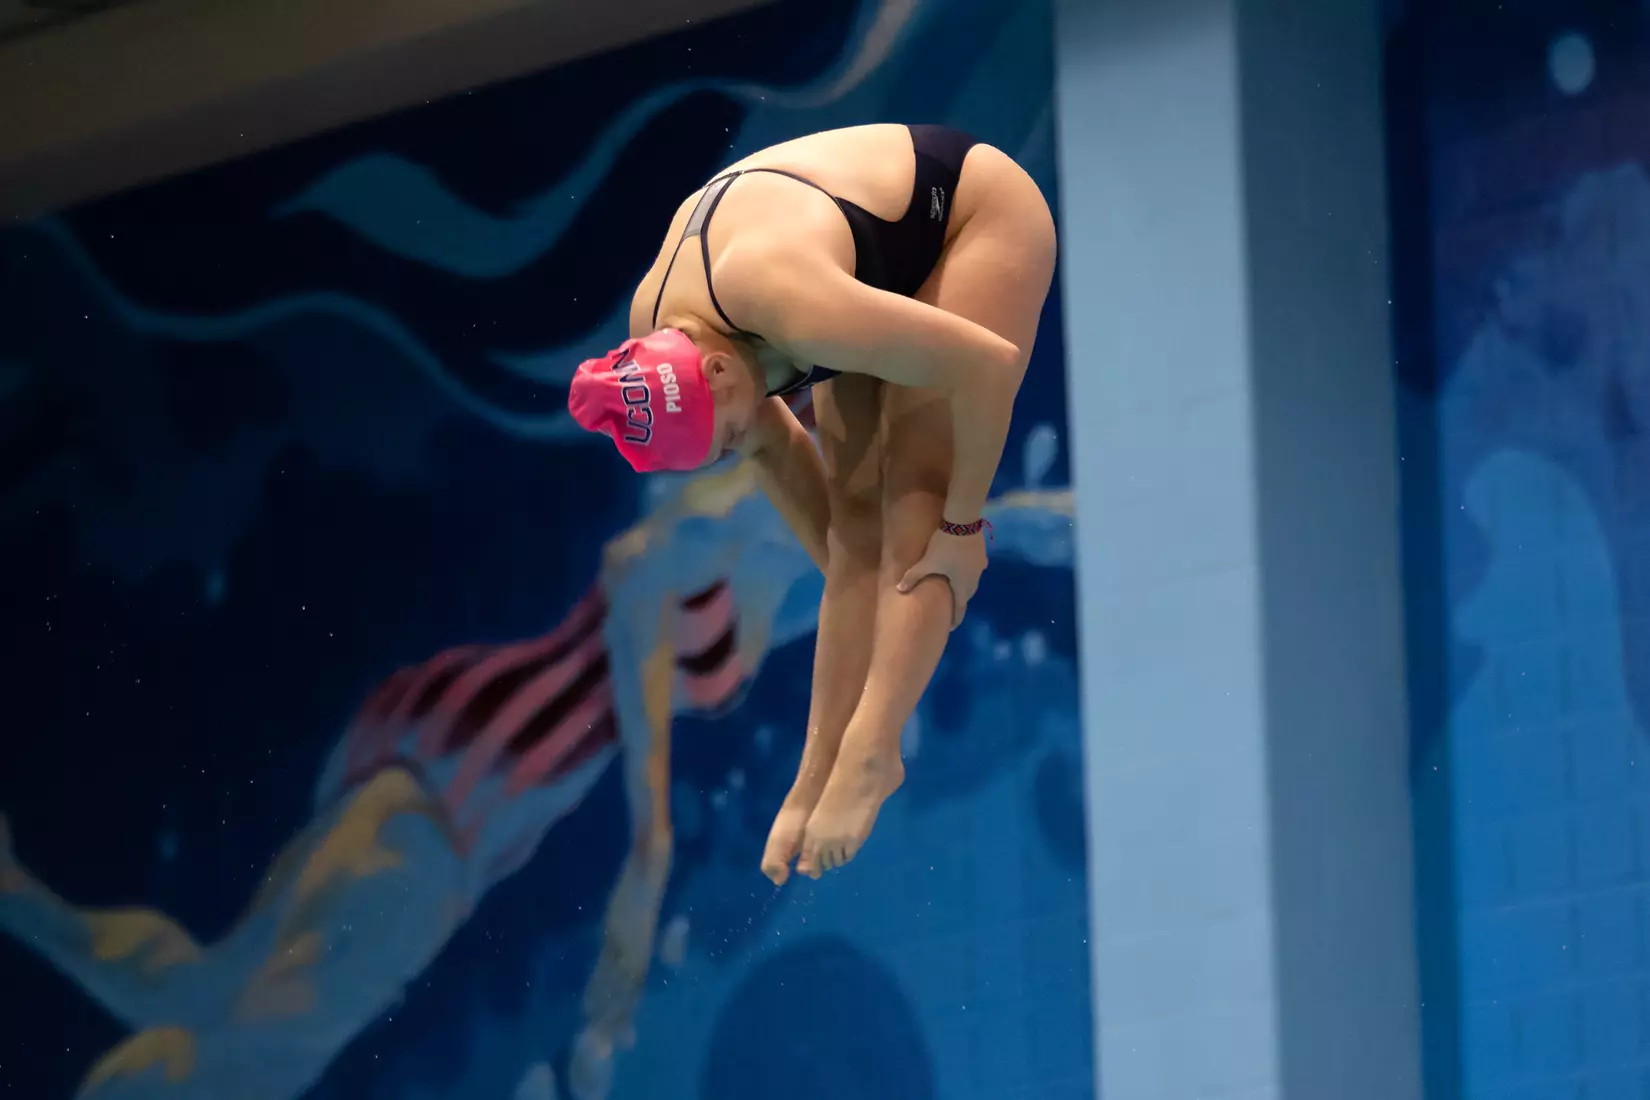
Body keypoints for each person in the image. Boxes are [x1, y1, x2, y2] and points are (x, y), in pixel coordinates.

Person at [567, 123, 1057, 883]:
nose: (737, 446)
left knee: (917, 492)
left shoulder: (790, 304)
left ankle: (873, 752)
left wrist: (962, 528)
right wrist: (811, 763)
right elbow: (833, 536)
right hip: (849, 272)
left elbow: (986, 369)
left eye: (728, 434)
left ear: (725, 374)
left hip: (962, 212)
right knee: (864, 525)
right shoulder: (659, 333)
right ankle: (821, 764)